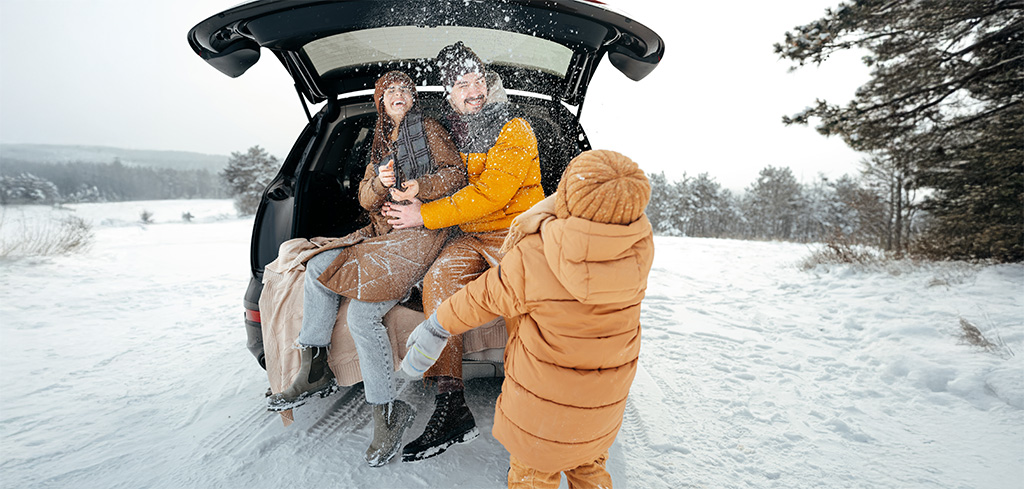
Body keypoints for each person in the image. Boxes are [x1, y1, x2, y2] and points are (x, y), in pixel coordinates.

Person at [402, 150, 654, 488]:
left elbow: (481, 297)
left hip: (542, 421)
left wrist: (436, 326)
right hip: (601, 414)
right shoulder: (637, 251)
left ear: (565, 197)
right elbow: (597, 221)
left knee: (533, 479)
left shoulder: (537, 254)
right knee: (589, 469)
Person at [266, 70, 466, 467]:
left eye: (404, 90)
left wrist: (418, 190)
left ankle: (354, 395)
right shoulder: (380, 139)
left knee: (342, 289)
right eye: (389, 90)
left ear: (412, 99)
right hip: (384, 235)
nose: (397, 94)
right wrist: (380, 180)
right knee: (339, 288)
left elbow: (456, 173)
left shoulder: (427, 128)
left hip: (420, 235)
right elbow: (364, 196)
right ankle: (339, 383)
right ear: (380, 101)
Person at [384, 41, 544, 462]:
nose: (474, 89)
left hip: (517, 234)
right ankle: (451, 405)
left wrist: (425, 215)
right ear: (449, 94)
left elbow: (491, 193)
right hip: (470, 237)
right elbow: (447, 179)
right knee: (439, 280)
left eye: (478, 80)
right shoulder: (455, 134)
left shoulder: (515, 128)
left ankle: (533, 401)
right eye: (461, 83)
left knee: (521, 297)